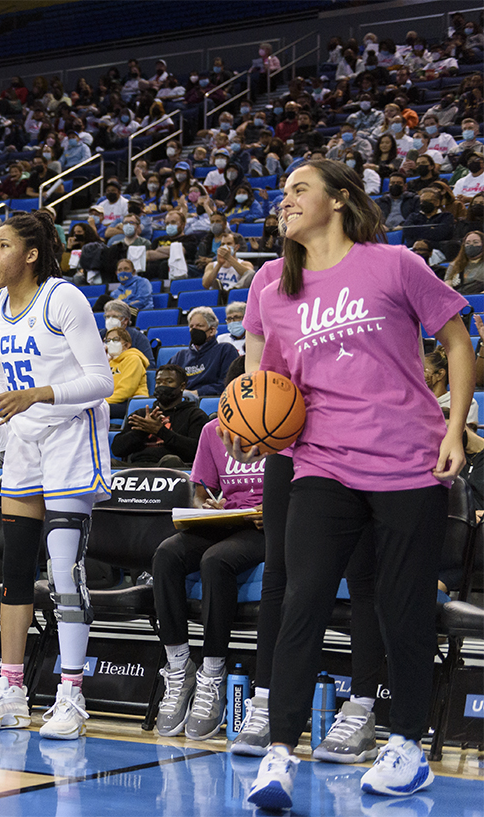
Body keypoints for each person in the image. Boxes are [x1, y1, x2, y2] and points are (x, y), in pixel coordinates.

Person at [241, 160, 471, 807]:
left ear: (338, 200)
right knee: (302, 596)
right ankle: (279, 754)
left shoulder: (395, 264)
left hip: (409, 462)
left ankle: (406, 746)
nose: (284, 201)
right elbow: (272, 393)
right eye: (281, 193)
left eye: (299, 189)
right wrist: (253, 427)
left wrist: (455, 428)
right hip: (324, 463)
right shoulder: (273, 292)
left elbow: (456, 341)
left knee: (401, 608)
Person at [0, 210, 113, 740]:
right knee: (16, 569)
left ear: (30, 254)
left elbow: (102, 380)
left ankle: (72, 695)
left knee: (65, 570)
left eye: (2, 245)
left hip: (71, 435)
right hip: (25, 439)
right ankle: (13, 691)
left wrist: (40, 394)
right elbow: (1, 377)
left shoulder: (61, 297)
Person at [153, 368, 265, 740]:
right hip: (227, 519)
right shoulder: (212, 431)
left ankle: (212, 673)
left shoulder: (281, 430)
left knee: (216, 561)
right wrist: (207, 506)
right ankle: (180, 667)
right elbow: (201, 492)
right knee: (167, 555)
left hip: (268, 526)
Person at [111, 364, 210, 467]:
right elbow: (117, 450)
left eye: (169, 382)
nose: (162, 385)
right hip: (137, 468)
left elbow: (196, 451)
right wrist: (141, 431)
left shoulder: (195, 415)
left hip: (172, 471)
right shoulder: (140, 415)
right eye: (158, 382)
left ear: (182, 386)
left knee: (170, 460)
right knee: (107, 464)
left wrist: (160, 431)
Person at [169, 306, 241, 397]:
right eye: (191, 326)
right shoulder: (180, 356)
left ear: (212, 330)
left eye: (199, 326)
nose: (194, 330)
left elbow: (228, 384)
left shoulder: (225, 350)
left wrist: (197, 393)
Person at [425, 347, 479, 430]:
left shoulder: (466, 402)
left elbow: (467, 435)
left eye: (423, 370)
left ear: (440, 374)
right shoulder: (416, 401)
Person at [104, 326, 149, 419]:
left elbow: (126, 390)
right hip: (111, 401)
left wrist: (103, 401)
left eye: (115, 339)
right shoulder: (109, 362)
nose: (111, 343)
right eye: (108, 340)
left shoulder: (133, 359)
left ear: (127, 344)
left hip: (130, 402)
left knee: (95, 410)